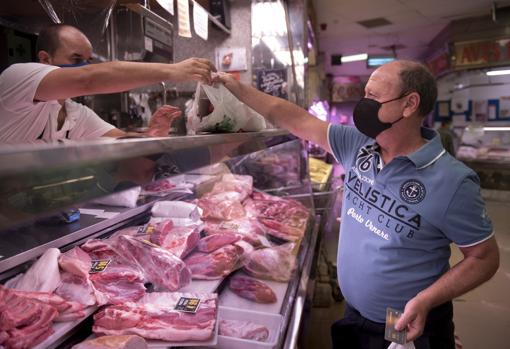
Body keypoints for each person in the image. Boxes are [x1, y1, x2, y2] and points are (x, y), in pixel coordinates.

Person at [214, 60, 500, 349]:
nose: (363, 104)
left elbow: (484, 258)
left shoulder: (453, 181)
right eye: (365, 94)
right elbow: (291, 117)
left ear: (409, 104)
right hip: (352, 313)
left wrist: (427, 300)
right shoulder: (358, 145)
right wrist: (233, 86)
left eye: (373, 97)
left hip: (402, 324)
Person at [0, 24, 215, 143]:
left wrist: (153, 133)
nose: (84, 66)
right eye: (76, 60)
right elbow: (87, 79)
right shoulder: (17, 78)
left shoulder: (76, 114)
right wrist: (173, 70)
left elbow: (119, 140)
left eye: (88, 61)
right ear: (45, 60)